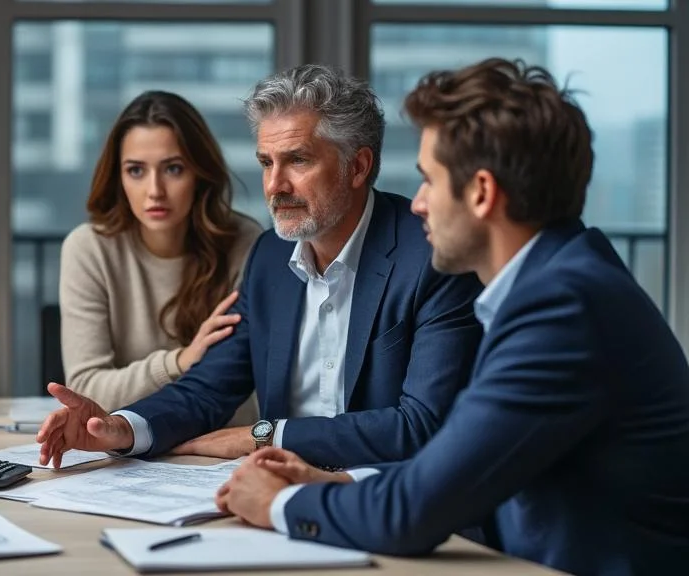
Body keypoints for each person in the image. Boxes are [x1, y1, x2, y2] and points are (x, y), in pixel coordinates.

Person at [217, 58, 689, 575]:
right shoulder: (562, 279)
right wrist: (334, 483)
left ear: (482, 193)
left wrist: (275, 503)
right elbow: (454, 472)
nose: (417, 204)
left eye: (429, 180)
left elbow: (414, 511)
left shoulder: (561, 311)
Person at [37, 64, 484, 470]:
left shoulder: (431, 256)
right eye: (266, 162)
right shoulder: (270, 255)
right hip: (274, 489)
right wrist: (121, 429)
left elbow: (422, 424)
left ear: (358, 166)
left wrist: (264, 437)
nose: (274, 185)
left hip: (383, 496)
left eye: (298, 160)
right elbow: (209, 388)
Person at [58, 90, 262, 425]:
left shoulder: (244, 242)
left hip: (220, 445)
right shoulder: (88, 249)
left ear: (200, 173)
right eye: (136, 170)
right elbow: (85, 389)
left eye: (174, 169)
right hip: (127, 446)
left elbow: (235, 382)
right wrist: (180, 362)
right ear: (118, 177)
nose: (155, 190)